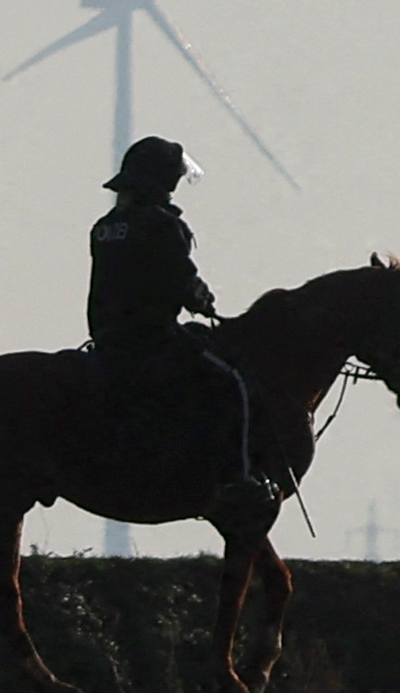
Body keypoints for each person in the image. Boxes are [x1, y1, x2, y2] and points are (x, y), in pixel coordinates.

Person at [83, 138, 265, 508]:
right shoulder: (163, 226)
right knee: (228, 383)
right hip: (150, 336)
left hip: (106, 335)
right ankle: (235, 480)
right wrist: (203, 301)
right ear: (164, 181)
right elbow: (180, 278)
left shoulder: (105, 226)